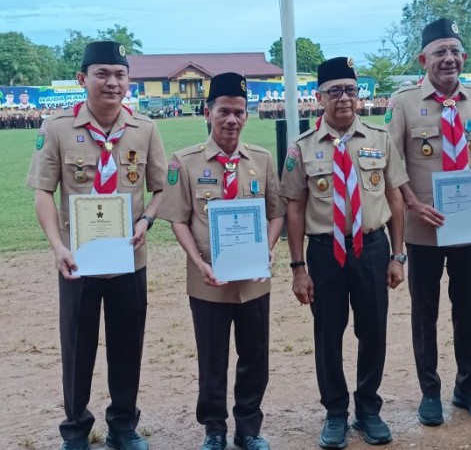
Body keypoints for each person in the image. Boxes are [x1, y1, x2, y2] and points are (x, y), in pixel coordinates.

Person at [26, 41, 167, 450]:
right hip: (77, 260)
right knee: (77, 347)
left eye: (120, 75)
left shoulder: (145, 128)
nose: (112, 82)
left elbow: (160, 188)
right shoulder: (57, 127)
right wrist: (57, 246)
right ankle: (76, 429)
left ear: (129, 81)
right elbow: (42, 192)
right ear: (82, 79)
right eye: (102, 74)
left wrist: (146, 220)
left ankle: (123, 425)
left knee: (127, 345)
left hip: (129, 258)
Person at [281, 57, 408, 449]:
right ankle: (335, 411)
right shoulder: (301, 147)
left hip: (371, 248)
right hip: (325, 253)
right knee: (327, 333)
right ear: (319, 97)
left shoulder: (379, 138)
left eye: (350, 90)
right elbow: (295, 209)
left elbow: (395, 198)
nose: (343, 98)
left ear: (359, 95)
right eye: (334, 91)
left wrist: (398, 255)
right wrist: (298, 267)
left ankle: (368, 408)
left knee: (373, 330)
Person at [386, 18, 471, 426]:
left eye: (455, 51)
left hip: (469, 226)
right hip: (424, 228)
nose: (449, 59)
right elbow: (392, 162)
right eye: (440, 52)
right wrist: (413, 204)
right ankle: (430, 391)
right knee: (426, 312)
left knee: (468, 308)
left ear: (464, 57)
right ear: (424, 60)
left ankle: (467, 386)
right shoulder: (404, 102)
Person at [158, 73, 285, 450]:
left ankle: (249, 428)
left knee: (255, 358)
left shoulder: (261, 160)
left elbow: (277, 212)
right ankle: (214, 429)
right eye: (224, 111)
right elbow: (178, 219)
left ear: (247, 115)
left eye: (239, 112)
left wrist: (269, 247)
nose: (232, 119)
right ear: (207, 112)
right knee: (212, 360)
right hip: (208, 282)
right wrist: (199, 263)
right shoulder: (185, 162)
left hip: (253, 282)